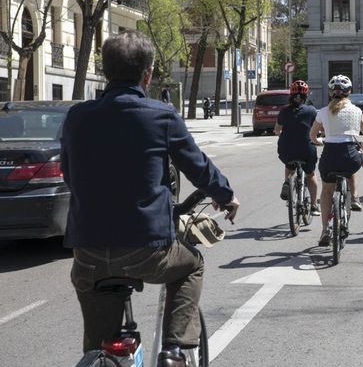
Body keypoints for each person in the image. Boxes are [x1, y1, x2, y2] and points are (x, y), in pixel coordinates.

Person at [60, 31, 240, 367]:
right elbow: (197, 167)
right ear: (148, 74)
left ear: (105, 71)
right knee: (192, 265)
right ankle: (173, 350)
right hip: (147, 250)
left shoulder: (77, 117)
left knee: (100, 337)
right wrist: (225, 195)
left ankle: (99, 355)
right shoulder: (160, 115)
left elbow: (69, 175)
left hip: (88, 251)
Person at [309, 75, 363, 246]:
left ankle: (324, 230)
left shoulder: (322, 112)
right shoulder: (357, 111)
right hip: (349, 155)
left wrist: (319, 141)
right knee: (351, 170)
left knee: (326, 191)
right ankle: (354, 198)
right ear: (349, 92)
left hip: (330, 155)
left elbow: (313, 136)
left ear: (331, 93)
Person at [275, 79, 320, 216]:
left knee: (289, 164)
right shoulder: (312, 111)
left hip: (286, 149)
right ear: (306, 96)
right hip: (307, 148)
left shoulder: (284, 111)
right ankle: (313, 206)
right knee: (311, 174)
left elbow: (277, 130)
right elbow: (319, 129)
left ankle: (287, 182)